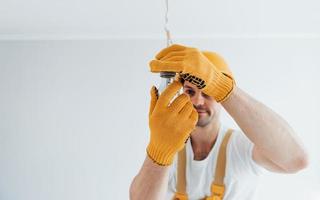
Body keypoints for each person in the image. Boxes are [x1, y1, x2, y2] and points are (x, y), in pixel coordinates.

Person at [129, 44, 308, 200]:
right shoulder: (170, 148)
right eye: (190, 92)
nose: (198, 102)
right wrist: (158, 152)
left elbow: (297, 159)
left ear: (222, 98)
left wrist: (224, 87)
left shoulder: (241, 147)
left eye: (209, 93)